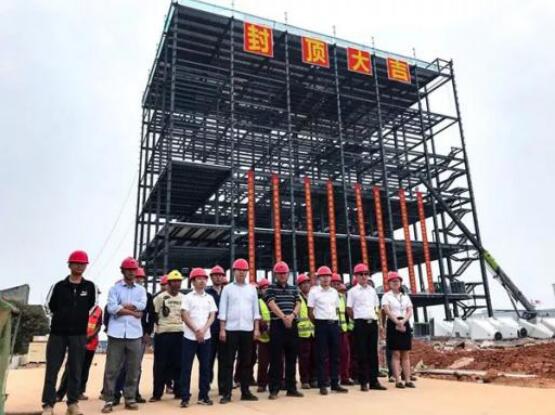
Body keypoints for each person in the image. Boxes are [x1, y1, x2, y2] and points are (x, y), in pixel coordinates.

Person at [42, 250, 97, 415]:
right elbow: (48, 306)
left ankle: (72, 404)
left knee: (76, 369)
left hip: (78, 334)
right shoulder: (58, 286)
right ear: (69, 265)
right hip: (57, 334)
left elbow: (93, 306)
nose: (80, 266)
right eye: (76, 263)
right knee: (52, 368)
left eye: (83, 264)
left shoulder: (90, 287)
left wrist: (79, 319)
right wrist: (60, 318)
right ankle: (48, 405)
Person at [101, 257, 147, 413]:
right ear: (123, 271)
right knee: (112, 369)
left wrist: (123, 307)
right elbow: (112, 308)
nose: (131, 272)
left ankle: (130, 398)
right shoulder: (114, 289)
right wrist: (133, 312)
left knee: (133, 368)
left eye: (133, 270)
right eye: (128, 270)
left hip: (135, 334)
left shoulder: (141, 290)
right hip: (116, 333)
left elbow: (142, 305)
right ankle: (109, 399)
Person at [218, 258, 260, 404]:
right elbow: (222, 310)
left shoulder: (252, 289)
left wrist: (256, 329)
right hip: (231, 330)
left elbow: (256, 311)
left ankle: (245, 391)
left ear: (247, 272)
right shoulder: (227, 289)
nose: (242, 273)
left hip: (247, 330)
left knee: (246, 362)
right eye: (239, 270)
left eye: (244, 270)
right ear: (234, 271)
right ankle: (227, 393)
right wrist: (222, 329)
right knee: (228, 362)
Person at [307, 266, 348, 396]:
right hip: (321, 325)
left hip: (334, 325)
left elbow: (336, 309)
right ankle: (323, 384)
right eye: (323, 276)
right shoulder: (314, 292)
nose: (325, 279)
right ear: (319, 278)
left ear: (331, 278)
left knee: (335, 355)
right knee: (321, 356)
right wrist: (319, 324)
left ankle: (335, 383)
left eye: (327, 276)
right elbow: (310, 312)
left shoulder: (334, 292)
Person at [180, 268, 218, 407]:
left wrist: (204, 329)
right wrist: (196, 330)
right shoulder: (188, 297)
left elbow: (212, 315)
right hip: (189, 337)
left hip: (206, 337)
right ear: (193, 281)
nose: (202, 281)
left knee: (205, 367)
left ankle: (204, 396)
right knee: (186, 367)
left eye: (204, 278)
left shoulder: (209, 298)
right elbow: (184, 315)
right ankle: (185, 397)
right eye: (199, 278)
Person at [265, 262, 303, 400]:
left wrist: (292, 316)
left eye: (284, 273)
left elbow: (298, 303)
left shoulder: (294, 288)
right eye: (280, 273)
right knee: (276, 359)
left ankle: (291, 388)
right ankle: (274, 389)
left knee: (292, 358)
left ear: (288, 274)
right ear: (275, 275)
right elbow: (271, 303)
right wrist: (283, 317)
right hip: (277, 325)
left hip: (292, 325)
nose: (282, 275)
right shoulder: (270, 288)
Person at [56, 293, 103, 402]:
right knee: (70, 369)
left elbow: (99, 325)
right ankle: (60, 393)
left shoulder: (98, 310)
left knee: (85, 369)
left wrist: (90, 336)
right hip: (76, 342)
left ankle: (79, 392)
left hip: (91, 344)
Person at [346, 263, 386, 392]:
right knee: (361, 353)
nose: (364, 276)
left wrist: (379, 324)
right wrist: (358, 319)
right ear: (356, 276)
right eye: (361, 274)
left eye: (365, 274)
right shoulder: (352, 292)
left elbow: (376, 307)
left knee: (373, 353)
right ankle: (363, 381)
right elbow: (349, 309)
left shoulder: (372, 291)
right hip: (360, 324)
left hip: (372, 323)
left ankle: (374, 381)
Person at [150, 270, 185, 402]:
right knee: (160, 364)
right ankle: (157, 393)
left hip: (179, 333)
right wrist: (156, 329)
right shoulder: (160, 298)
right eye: (174, 282)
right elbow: (153, 314)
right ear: (169, 284)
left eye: (179, 282)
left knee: (178, 364)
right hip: (163, 334)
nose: (177, 284)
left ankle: (178, 391)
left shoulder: (183, 298)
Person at [381, 271, 415, 389]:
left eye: (397, 281)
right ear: (389, 284)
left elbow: (409, 310)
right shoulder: (386, 296)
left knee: (405, 353)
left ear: (400, 282)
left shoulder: (405, 296)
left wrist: (403, 321)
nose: (395, 283)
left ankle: (408, 379)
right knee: (395, 353)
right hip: (392, 323)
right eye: (393, 281)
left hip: (405, 323)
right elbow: (386, 310)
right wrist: (396, 321)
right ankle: (398, 380)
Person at [205, 265, 227, 395]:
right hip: (210, 330)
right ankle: (206, 385)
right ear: (211, 277)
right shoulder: (207, 293)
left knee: (224, 360)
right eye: (215, 275)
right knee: (208, 359)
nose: (218, 277)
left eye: (220, 275)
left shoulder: (227, 292)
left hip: (225, 331)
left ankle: (223, 387)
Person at [331, 274, 352, 386]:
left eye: (338, 284)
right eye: (334, 284)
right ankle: (331, 378)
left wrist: (347, 327)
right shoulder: (326, 296)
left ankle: (345, 377)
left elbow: (346, 314)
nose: (336, 286)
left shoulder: (342, 297)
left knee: (345, 354)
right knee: (331, 355)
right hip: (331, 329)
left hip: (342, 330)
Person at [296, 274, 316, 390]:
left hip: (313, 332)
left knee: (314, 357)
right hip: (302, 333)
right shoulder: (297, 298)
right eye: (303, 283)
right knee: (304, 358)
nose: (306, 285)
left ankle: (313, 379)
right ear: (299, 286)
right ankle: (305, 380)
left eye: (308, 283)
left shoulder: (313, 297)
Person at [256, 278, 271, 392]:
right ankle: (261, 384)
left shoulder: (274, 301)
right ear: (260, 291)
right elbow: (256, 317)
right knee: (263, 361)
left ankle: (275, 382)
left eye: (267, 288)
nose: (266, 290)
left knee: (277, 361)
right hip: (263, 336)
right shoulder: (258, 302)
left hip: (276, 335)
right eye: (263, 288)